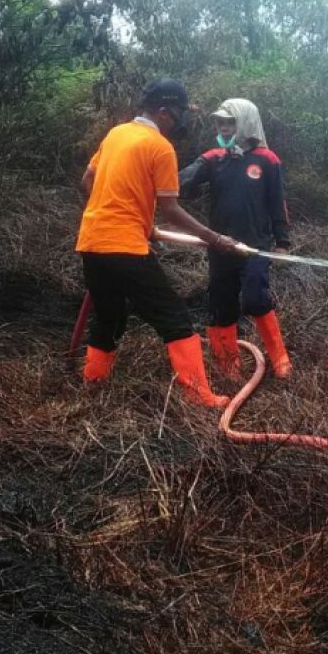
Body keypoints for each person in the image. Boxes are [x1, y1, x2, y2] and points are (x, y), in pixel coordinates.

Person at [75, 78, 243, 408]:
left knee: (109, 317)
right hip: (125, 246)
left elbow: (87, 181)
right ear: (164, 113)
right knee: (175, 319)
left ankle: (92, 385)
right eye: (180, 112)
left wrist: (119, 213)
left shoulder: (116, 134)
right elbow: (171, 209)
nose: (183, 120)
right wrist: (214, 238)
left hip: (92, 240)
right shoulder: (160, 147)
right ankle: (200, 397)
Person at [179, 98, 293, 380]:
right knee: (221, 302)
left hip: (255, 246)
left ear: (246, 123)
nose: (225, 128)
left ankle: (280, 360)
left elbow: (277, 202)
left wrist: (282, 242)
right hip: (220, 245)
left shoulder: (267, 160)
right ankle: (228, 365)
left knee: (255, 298)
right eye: (220, 123)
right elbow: (181, 180)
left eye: (230, 122)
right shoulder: (214, 158)